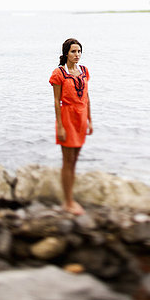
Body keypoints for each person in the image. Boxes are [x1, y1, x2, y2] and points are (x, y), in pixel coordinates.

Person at [49, 38, 93, 215]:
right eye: (74, 51)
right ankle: (67, 202)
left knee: (74, 161)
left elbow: (87, 97)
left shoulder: (84, 71)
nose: (77, 55)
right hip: (67, 117)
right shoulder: (59, 73)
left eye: (79, 51)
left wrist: (90, 120)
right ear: (66, 53)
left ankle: (71, 198)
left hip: (81, 118)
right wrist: (60, 126)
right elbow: (56, 102)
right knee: (67, 161)